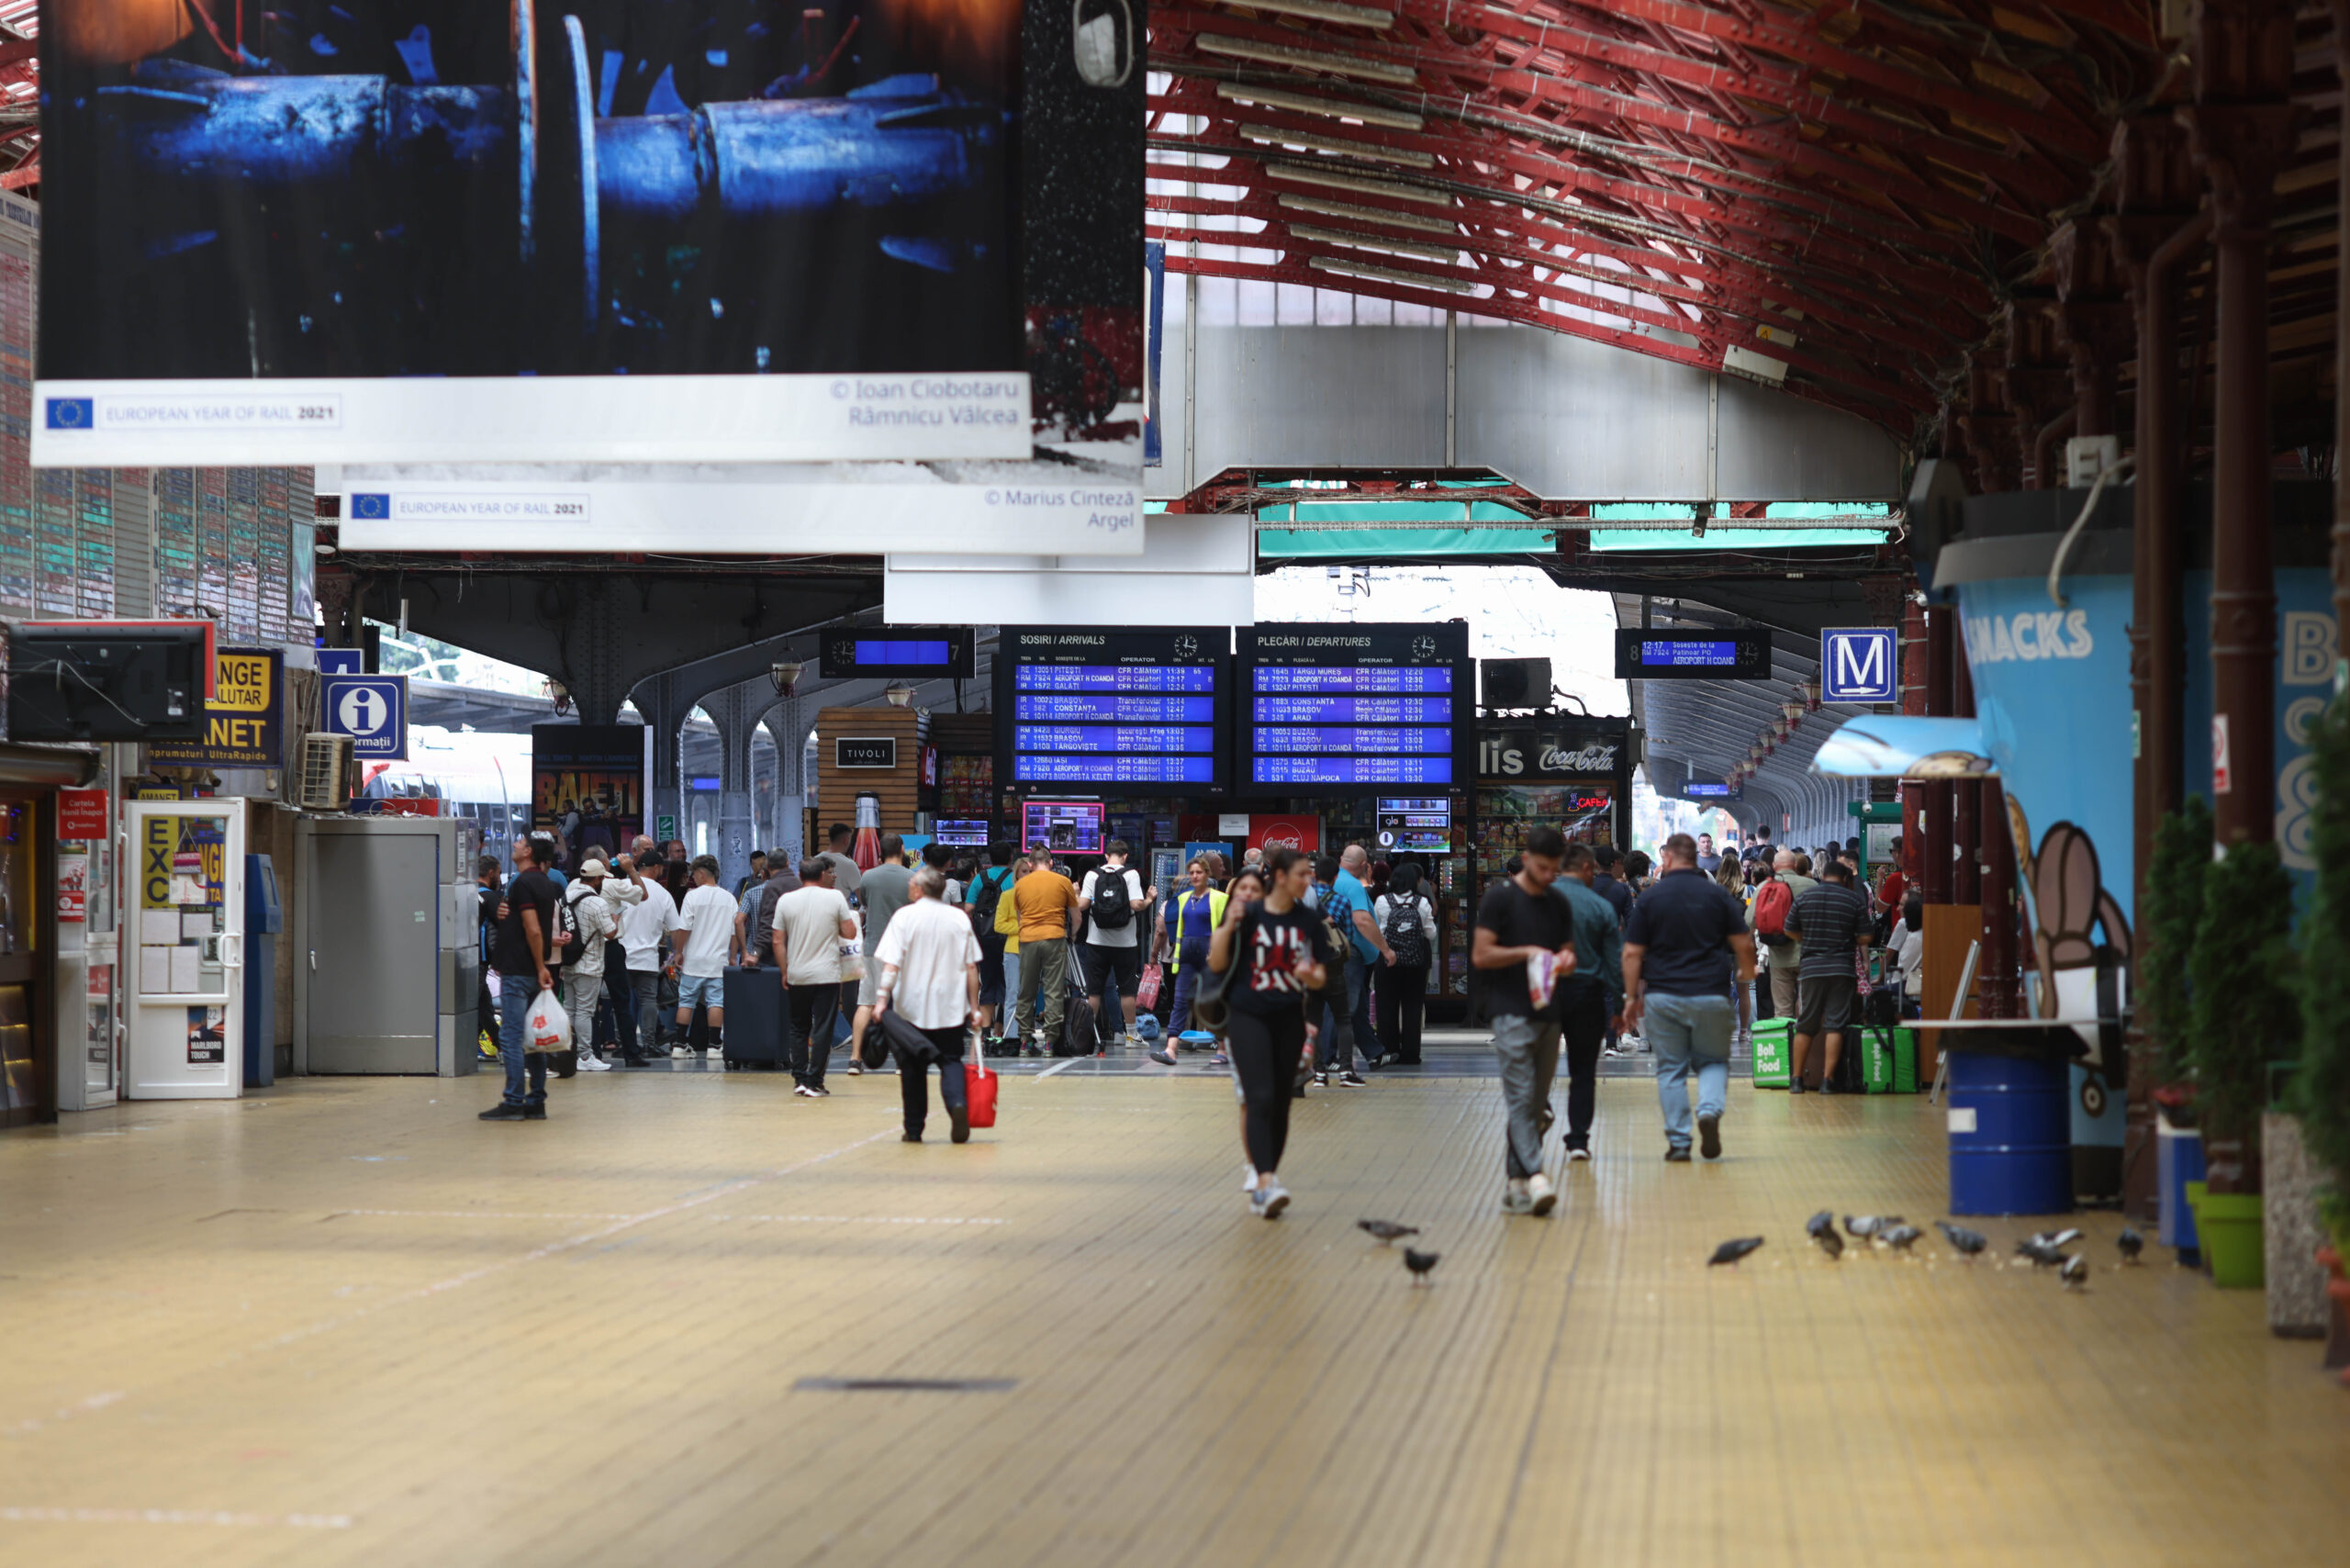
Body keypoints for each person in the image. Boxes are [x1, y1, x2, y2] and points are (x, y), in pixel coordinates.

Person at [1207, 846, 1327, 1220]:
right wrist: (1228, 926)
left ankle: (1268, 1177)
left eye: (1310, 874)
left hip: (1289, 1017)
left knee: (1280, 1102)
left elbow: (1321, 975)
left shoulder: (1309, 920)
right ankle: (1264, 1180)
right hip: (1248, 1016)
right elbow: (1217, 962)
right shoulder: (1251, 914)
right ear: (1280, 876)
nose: (1308, 881)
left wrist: (1309, 975)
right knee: (1258, 1096)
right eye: (1302, 874)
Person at [1622, 832, 1756, 1161]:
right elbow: (1743, 943)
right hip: (1711, 994)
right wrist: (1747, 974)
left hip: (1663, 995)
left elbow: (1632, 953)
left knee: (1671, 1068)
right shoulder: (1718, 895)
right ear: (1696, 857)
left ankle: (1680, 1141)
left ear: (1667, 858)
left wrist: (1631, 998)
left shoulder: (1651, 898)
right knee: (1712, 1061)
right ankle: (1708, 1110)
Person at [1472, 824, 1581, 1215]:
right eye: (1542, 867)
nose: (1549, 875)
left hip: (1549, 1012)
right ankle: (1536, 1175)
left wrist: (1565, 960)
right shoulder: (1499, 899)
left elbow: (1569, 954)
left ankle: (1515, 1182)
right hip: (1509, 1011)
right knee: (1520, 1097)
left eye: (1555, 869)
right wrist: (1528, 952)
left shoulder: (1558, 902)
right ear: (1526, 859)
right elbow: (1482, 955)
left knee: (1534, 1104)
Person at [872, 866, 984, 1144]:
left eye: (912, 883)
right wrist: (974, 1008)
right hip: (950, 1006)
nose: (909, 886)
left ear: (920, 890)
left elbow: (891, 964)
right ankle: (957, 1105)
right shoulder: (958, 919)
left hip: (910, 1008)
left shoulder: (904, 917)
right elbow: (971, 967)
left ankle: (913, 1129)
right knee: (951, 1061)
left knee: (912, 1068)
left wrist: (882, 998)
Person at [481, 834, 561, 1121]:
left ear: (528, 852)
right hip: (529, 969)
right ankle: (536, 1100)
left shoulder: (524, 882)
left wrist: (540, 966)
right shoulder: (544, 882)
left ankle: (514, 1100)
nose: (515, 844)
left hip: (519, 969)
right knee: (531, 1038)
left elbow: (534, 929)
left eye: (520, 843)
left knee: (511, 1036)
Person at [1552, 844, 1624, 1159]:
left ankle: (1538, 1114)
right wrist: (1619, 1007)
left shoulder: (1541, 899)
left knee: (1537, 1064)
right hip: (1587, 994)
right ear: (1585, 868)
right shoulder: (1600, 907)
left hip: (1545, 993)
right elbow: (1613, 964)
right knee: (1583, 1071)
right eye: (1593, 871)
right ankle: (1578, 1141)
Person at [1784, 857, 1873, 1093]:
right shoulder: (1852, 900)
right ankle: (1827, 1081)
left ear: (1823, 876)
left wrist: (1806, 938)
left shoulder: (1806, 897)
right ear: (1844, 878)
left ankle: (1796, 1080)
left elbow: (1789, 929)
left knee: (1806, 1023)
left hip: (1811, 968)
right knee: (1835, 1024)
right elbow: (1866, 937)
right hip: (1841, 969)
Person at [767, 858, 855, 1095]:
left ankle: (799, 1079)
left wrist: (785, 970)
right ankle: (815, 1081)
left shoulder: (786, 900)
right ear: (822, 875)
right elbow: (850, 932)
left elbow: (777, 940)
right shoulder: (835, 897)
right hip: (827, 974)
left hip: (797, 974)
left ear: (800, 875)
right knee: (823, 1029)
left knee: (798, 1027)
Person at [1077, 838, 1152, 1048]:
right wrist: (1149, 899)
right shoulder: (1131, 874)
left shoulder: (1092, 874)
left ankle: (1086, 1036)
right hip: (1125, 943)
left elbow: (1082, 906)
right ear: (1125, 856)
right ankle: (1131, 1035)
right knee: (1126, 990)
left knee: (1094, 991)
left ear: (1106, 856)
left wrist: (1075, 893)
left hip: (1096, 941)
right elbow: (1136, 905)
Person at [848, 835, 914, 1071]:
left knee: (866, 1003)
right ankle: (901, 1062)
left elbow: (865, 903)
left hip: (873, 948)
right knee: (902, 1007)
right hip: (902, 951)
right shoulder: (913, 878)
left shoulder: (868, 877)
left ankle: (855, 1059)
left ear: (881, 852)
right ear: (902, 850)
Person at [1153, 857, 1227, 1060]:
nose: (1195, 876)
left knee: (1214, 1000)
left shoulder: (1220, 898)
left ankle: (1222, 1049)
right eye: (1192, 872)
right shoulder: (1184, 898)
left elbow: (1227, 927)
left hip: (1209, 953)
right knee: (1180, 1000)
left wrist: (1218, 949)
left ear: (1207, 874)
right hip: (1186, 953)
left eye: (1199, 872)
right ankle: (1171, 1048)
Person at [616, 845, 681, 1065]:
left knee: (621, 1000)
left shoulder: (622, 886)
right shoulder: (663, 894)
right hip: (648, 958)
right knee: (648, 1001)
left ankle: (621, 1042)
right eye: (661, 868)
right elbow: (675, 928)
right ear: (655, 868)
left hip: (622, 955)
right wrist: (676, 954)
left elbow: (611, 914)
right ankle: (649, 1044)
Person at [1011, 852, 1079, 1053]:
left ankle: (1025, 1040)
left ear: (1031, 864)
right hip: (1054, 938)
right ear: (1051, 862)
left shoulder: (1020, 885)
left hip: (1028, 940)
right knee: (1053, 990)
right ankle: (1050, 1041)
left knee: (1026, 991)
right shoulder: (1063, 881)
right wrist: (1072, 935)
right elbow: (1076, 917)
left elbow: (1020, 918)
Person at [1371, 862, 1438, 1066]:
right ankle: (1411, 1054)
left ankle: (1389, 1050)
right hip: (1415, 963)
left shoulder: (1382, 900)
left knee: (1386, 1007)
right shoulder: (1422, 902)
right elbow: (1431, 933)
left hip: (1387, 960)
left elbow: (1377, 930)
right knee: (1412, 1008)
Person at [1331, 845, 1392, 1066]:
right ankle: (1328, 1056)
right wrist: (1385, 949)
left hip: (1339, 952)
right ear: (1364, 865)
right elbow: (1362, 920)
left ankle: (1374, 1053)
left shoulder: (1333, 880)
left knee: (1356, 1007)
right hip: (1351, 954)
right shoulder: (1352, 885)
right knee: (1345, 1006)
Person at [669, 856, 735, 1058]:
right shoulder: (729, 898)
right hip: (717, 962)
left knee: (686, 1001)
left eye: (694, 875)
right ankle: (714, 1046)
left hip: (693, 961)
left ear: (701, 873)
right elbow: (734, 933)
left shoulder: (692, 897)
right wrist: (733, 956)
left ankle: (679, 1045)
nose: (693, 879)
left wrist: (678, 952)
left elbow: (684, 928)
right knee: (716, 1002)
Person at [560, 859, 622, 1071]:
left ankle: (566, 1052)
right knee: (585, 1012)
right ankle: (585, 1056)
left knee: (570, 1009)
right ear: (598, 879)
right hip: (589, 964)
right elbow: (610, 932)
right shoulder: (597, 902)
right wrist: (615, 920)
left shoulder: (566, 897)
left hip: (568, 962)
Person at [1751, 848, 1818, 1029]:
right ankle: (1805, 1043)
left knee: (1782, 1012)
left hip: (1778, 956)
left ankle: (1784, 1044)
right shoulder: (1812, 885)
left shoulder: (1765, 887)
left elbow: (1749, 921)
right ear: (1795, 865)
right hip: (1807, 955)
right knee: (1807, 1008)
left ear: (1773, 866)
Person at [966, 844, 1017, 1047]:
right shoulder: (1014, 878)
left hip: (985, 939)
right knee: (1008, 985)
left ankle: (985, 1035)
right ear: (1011, 857)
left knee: (987, 984)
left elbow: (969, 907)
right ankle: (1001, 1031)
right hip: (1009, 938)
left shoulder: (980, 878)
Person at [474, 855, 502, 1062]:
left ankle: (502, 1047)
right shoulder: (491, 898)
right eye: (499, 873)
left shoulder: (467, 892)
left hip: (466, 957)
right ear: (491, 873)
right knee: (475, 1005)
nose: (499, 878)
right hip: (480, 960)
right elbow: (504, 927)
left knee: (484, 1008)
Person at [816, 823, 864, 899]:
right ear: (846, 840)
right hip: (841, 905)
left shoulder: (815, 860)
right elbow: (862, 897)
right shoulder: (849, 865)